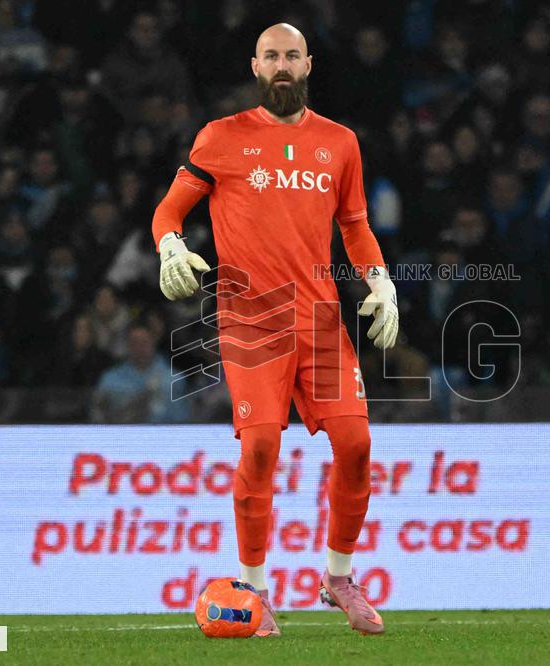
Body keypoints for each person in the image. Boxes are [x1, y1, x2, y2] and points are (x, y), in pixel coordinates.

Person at [151, 24, 397, 636]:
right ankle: (255, 591)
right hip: (250, 320)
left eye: (291, 56)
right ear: (255, 66)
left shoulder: (339, 143)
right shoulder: (221, 137)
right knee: (260, 448)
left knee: (358, 446)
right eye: (271, 57)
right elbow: (168, 210)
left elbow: (356, 226)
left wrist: (382, 281)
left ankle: (337, 577)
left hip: (320, 320)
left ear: (308, 63)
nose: (281, 66)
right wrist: (170, 246)